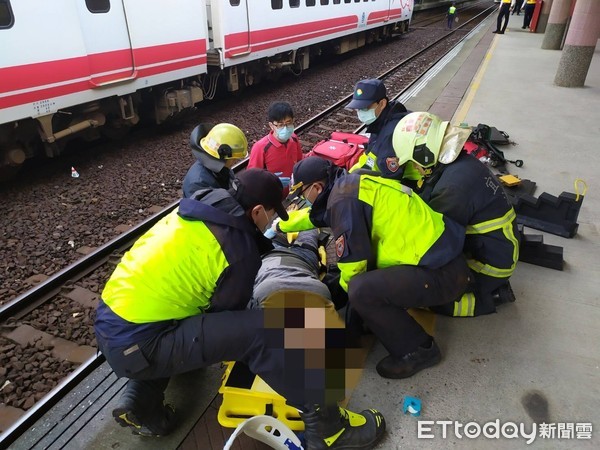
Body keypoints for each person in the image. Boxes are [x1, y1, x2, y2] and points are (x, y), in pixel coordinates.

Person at [95, 168, 385, 449]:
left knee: (193, 324)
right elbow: (231, 318)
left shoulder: (199, 206)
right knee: (267, 330)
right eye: (272, 214)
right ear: (258, 211)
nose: (271, 221)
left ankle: (140, 401)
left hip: (114, 324)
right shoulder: (238, 250)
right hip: (143, 342)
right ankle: (329, 430)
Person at [282, 156, 471, 380]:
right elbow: (318, 216)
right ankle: (379, 316)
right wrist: (282, 224)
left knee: (360, 290)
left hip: (442, 274)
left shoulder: (343, 202)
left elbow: (353, 270)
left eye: (304, 194)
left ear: (316, 187)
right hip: (445, 259)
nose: (305, 200)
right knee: (356, 287)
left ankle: (418, 350)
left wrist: (330, 306)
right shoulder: (352, 182)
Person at [392, 112, 520, 317]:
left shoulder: (452, 188)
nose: (415, 167)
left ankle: (491, 297)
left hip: (489, 268)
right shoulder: (459, 164)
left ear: (424, 152)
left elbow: (433, 244)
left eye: (413, 161)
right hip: (499, 249)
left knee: (420, 292)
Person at [344, 79, 410, 179]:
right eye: (358, 108)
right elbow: (370, 157)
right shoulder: (381, 121)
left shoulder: (391, 134)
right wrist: (348, 176)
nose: (360, 112)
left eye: (365, 108)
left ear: (382, 103)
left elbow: (391, 180)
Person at [248, 101, 303, 195]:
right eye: (280, 125)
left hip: (293, 193)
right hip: (273, 197)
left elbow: (299, 161)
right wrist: (270, 183)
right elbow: (252, 179)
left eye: (289, 123)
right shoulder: (260, 148)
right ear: (271, 126)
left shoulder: (294, 138)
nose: (285, 128)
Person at [182, 123, 248, 198]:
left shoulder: (221, 168)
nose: (235, 161)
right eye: (233, 158)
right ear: (223, 155)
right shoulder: (198, 183)